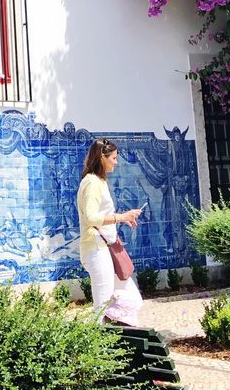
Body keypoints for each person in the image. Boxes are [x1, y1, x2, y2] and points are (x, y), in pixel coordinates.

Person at [77, 138, 144, 326]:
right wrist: (121, 217)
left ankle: (116, 338)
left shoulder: (98, 181)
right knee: (102, 307)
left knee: (132, 299)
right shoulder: (91, 182)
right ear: (102, 157)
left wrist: (125, 218)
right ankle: (99, 348)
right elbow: (90, 217)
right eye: (113, 158)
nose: (116, 161)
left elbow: (101, 215)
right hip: (96, 249)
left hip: (105, 248)